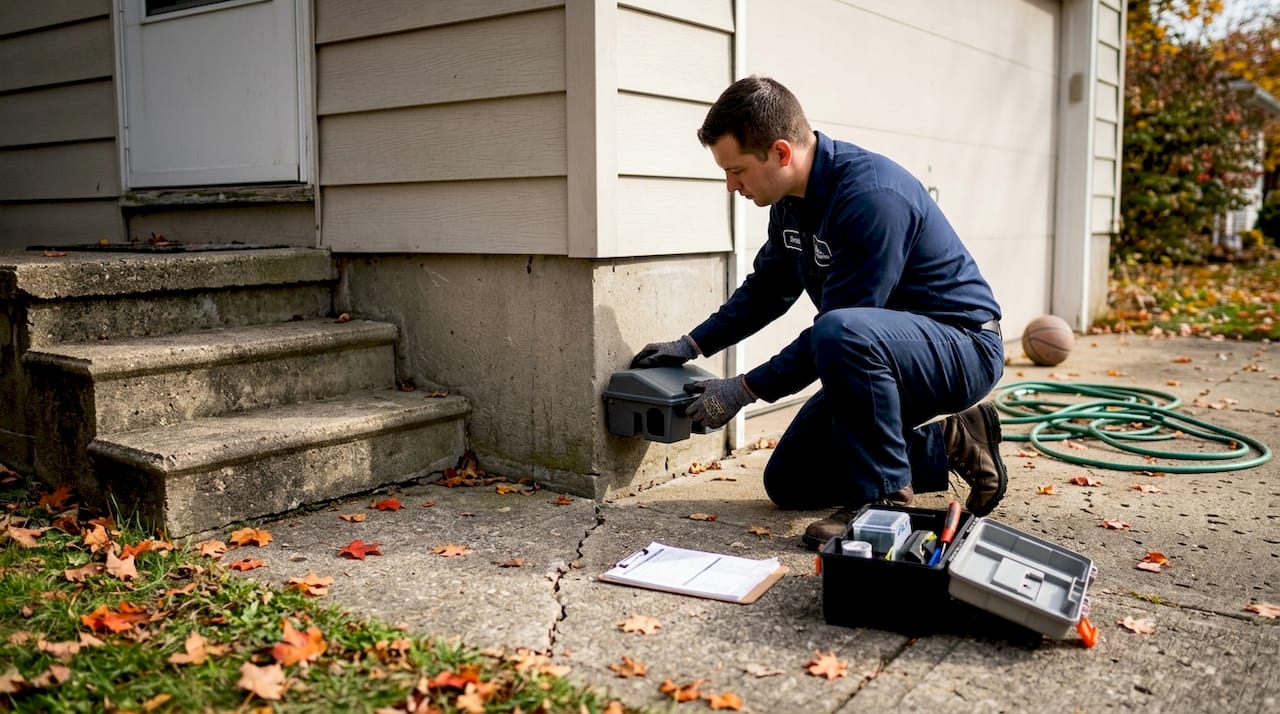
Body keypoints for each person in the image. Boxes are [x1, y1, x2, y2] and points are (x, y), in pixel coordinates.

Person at [631, 76, 1008, 550]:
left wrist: (744, 389)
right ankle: (954, 441)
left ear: (781, 153)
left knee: (840, 329)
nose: (731, 186)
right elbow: (768, 290)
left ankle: (885, 498)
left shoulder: (871, 198)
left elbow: (843, 328)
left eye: (738, 170)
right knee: (790, 481)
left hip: (960, 347)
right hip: (881, 359)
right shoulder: (790, 203)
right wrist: (693, 344)